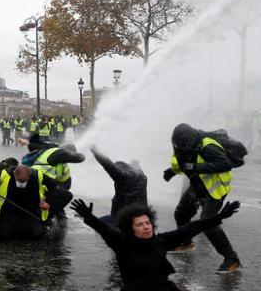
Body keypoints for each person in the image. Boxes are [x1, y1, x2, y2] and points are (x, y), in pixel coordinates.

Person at [71, 199, 241, 290]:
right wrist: (89, 217)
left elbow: (191, 228)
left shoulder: (161, 240)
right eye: (140, 224)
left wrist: (220, 216)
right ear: (130, 229)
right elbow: (104, 230)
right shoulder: (121, 243)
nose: (146, 227)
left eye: (147, 223)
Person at [163, 123, 240, 272]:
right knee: (181, 213)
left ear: (190, 141)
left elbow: (226, 164)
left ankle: (232, 259)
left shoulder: (207, 146)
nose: (180, 148)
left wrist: (197, 168)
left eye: (183, 145)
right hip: (197, 186)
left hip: (215, 189)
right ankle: (186, 243)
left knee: (208, 224)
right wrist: (172, 172)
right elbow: (184, 163)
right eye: (177, 145)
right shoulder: (180, 145)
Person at [0, 165, 57, 240]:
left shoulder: (37, 175)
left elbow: (53, 186)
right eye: (19, 181)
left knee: (37, 235)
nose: (21, 184)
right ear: (14, 174)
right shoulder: (5, 174)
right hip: (8, 211)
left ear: (29, 175)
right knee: (2, 235)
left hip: (30, 211)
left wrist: (48, 202)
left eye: (24, 181)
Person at [91, 147, 146, 224]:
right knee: (101, 221)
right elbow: (137, 168)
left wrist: (94, 150)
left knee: (97, 224)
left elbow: (107, 164)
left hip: (124, 218)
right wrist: (135, 163)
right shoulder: (143, 177)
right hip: (142, 215)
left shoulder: (123, 178)